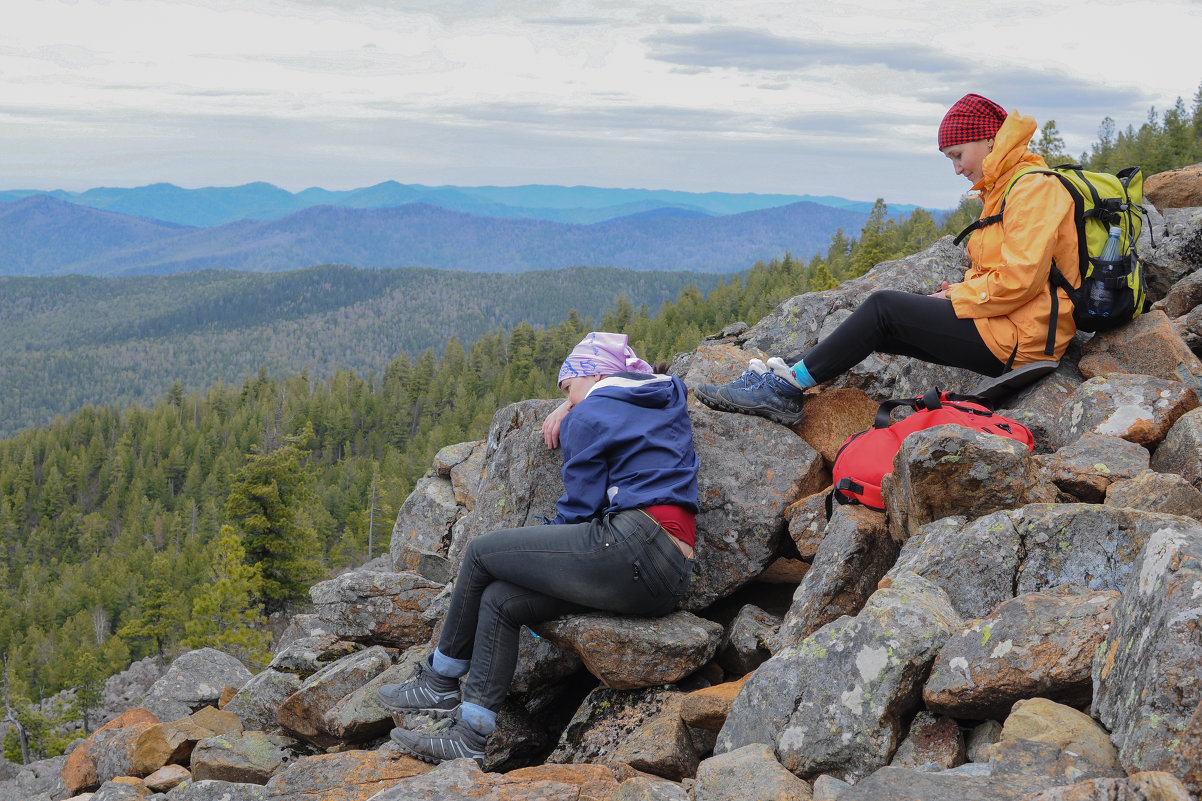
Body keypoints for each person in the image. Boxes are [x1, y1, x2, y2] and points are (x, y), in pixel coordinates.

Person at [381, 331, 699, 766]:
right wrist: (574, 400)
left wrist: (574, 413)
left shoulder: (589, 417)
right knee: (501, 600)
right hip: (667, 574)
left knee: (480, 553)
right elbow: (613, 391)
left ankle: (440, 678)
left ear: (594, 373)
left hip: (634, 544)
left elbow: (580, 510)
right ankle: (469, 735)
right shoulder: (664, 393)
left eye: (567, 387)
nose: (567, 398)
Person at [694, 93, 1080, 425]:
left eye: (958, 155)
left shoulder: (1033, 188)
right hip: (1007, 326)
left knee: (884, 308)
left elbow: (1020, 279)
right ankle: (778, 374)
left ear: (989, 140)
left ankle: (786, 390)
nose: (958, 168)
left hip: (1023, 342)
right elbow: (1003, 271)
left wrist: (956, 299)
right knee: (885, 324)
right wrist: (962, 289)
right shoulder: (1005, 188)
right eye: (951, 159)